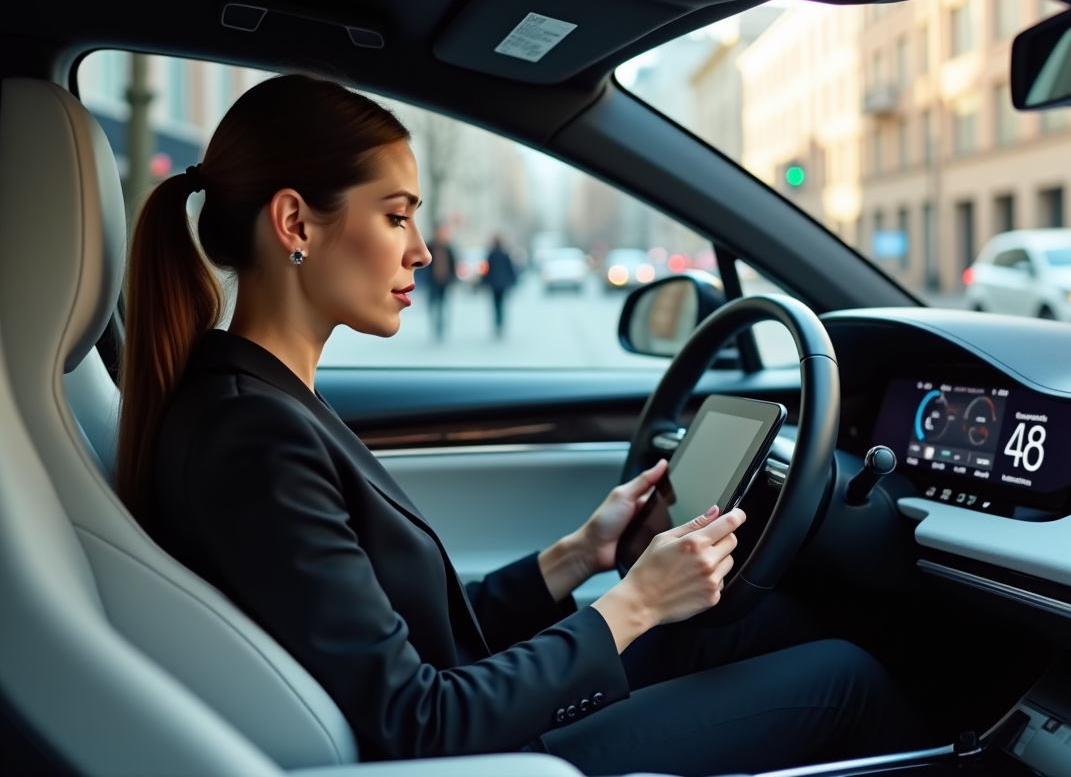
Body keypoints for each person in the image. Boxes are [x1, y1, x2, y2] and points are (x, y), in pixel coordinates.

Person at [116, 74, 922, 776]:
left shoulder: (260, 402)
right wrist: (635, 604)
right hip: (485, 758)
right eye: (397, 217)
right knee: (847, 678)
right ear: (295, 224)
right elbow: (416, 724)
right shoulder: (250, 437)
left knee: (775, 622)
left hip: (479, 720)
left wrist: (582, 555)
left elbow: (415, 630)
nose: (424, 252)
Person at [425, 223, 457, 340]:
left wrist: (453, 280)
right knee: (432, 304)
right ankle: (435, 325)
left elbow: (452, 264)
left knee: (443, 304)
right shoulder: (429, 246)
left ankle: (441, 326)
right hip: (432, 280)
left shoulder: (448, 248)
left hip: (444, 280)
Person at [482, 234, 516, 337]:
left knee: (495, 304)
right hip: (503, 283)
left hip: (493, 283)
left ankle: (497, 323)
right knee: (501, 304)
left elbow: (486, 270)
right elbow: (510, 269)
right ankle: (500, 323)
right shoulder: (505, 254)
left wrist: (484, 281)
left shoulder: (491, 255)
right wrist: (513, 280)